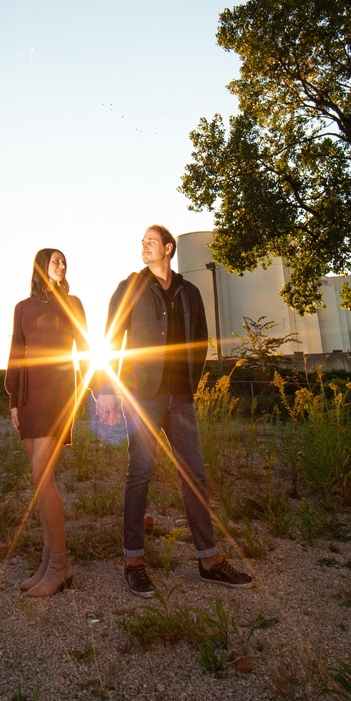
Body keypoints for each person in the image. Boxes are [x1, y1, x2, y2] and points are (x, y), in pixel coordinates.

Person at [96, 225, 253, 595]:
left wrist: (189, 385)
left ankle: (209, 561)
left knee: (195, 475)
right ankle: (134, 561)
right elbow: (108, 340)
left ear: (168, 248)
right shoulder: (129, 288)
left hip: (180, 398)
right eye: (142, 242)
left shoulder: (190, 292)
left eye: (151, 241)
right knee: (140, 473)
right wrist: (105, 390)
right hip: (143, 397)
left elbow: (199, 343)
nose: (144, 246)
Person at [5, 248, 87, 597]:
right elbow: (15, 354)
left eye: (64, 260)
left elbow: (85, 349)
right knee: (40, 481)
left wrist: (98, 392)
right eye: (55, 260)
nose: (62, 265)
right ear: (41, 266)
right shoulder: (22, 308)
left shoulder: (73, 303)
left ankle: (61, 564)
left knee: (42, 475)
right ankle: (48, 560)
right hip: (28, 397)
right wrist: (13, 401)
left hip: (58, 394)